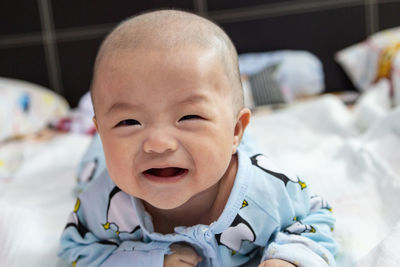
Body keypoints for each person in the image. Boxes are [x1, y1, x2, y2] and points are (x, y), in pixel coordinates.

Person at [58, 9, 338, 267]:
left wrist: (288, 259)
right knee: (90, 168)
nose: (158, 143)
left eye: (189, 117)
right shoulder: (102, 205)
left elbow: (314, 217)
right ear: (102, 130)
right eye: (128, 121)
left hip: (227, 151)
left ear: (236, 130)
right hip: (103, 162)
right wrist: (150, 260)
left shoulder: (266, 189)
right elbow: (76, 253)